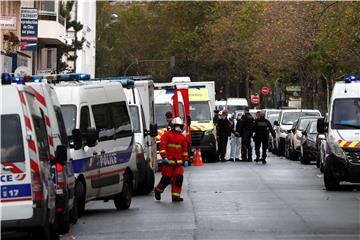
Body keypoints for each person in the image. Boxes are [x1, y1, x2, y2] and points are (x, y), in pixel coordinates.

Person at [154, 117, 189, 202]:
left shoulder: (182, 137)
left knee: (178, 179)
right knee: (166, 178)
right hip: (168, 162)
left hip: (178, 163)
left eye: (180, 126)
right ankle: (158, 190)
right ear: (173, 125)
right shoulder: (166, 135)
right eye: (177, 126)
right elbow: (162, 147)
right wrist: (164, 156)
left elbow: (184, 150)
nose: (178, 127)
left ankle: (175, 196)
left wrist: (186, 159)